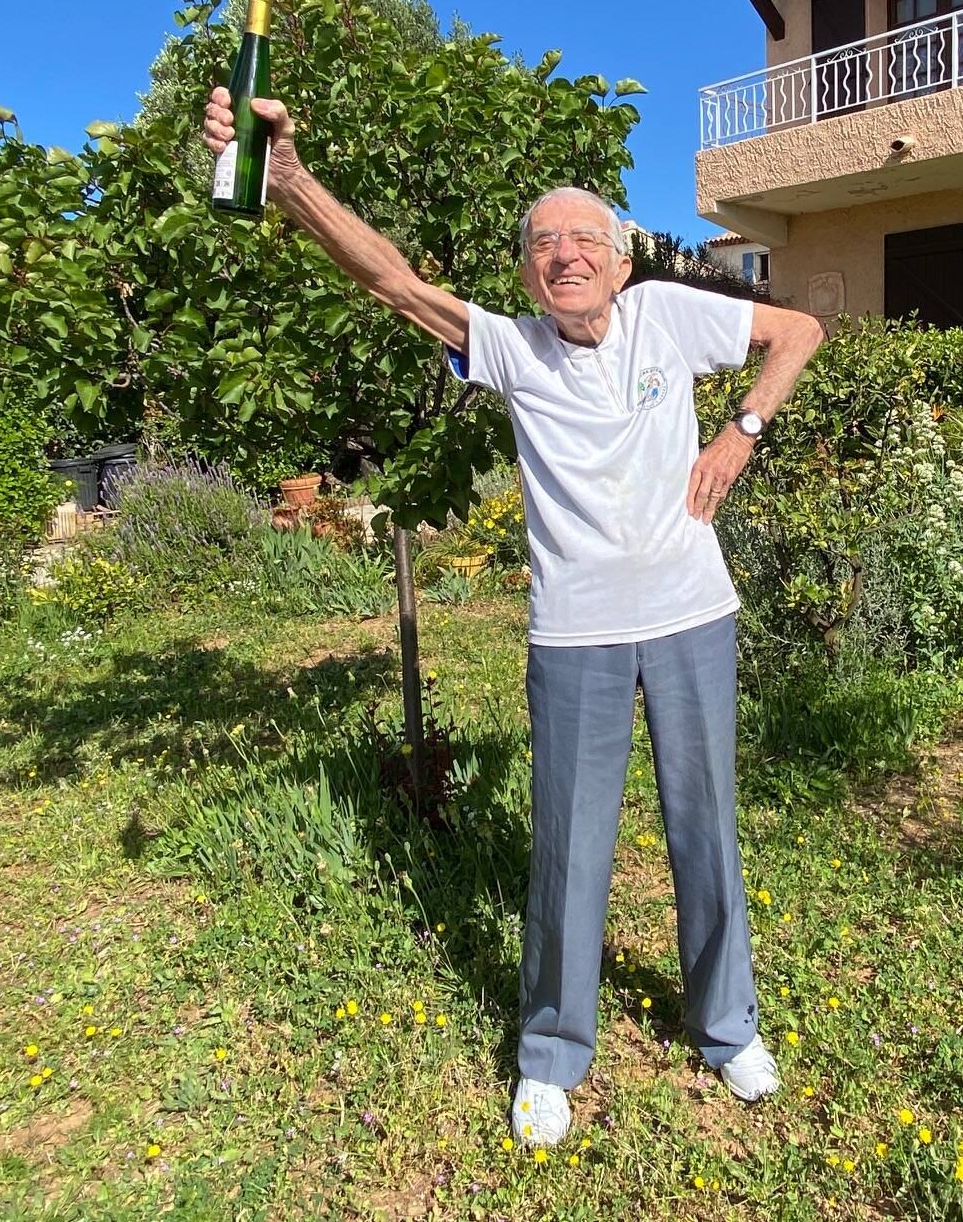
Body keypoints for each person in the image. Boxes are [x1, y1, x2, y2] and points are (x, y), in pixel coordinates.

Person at [202, 89, 825, 1147]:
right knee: (570, 846)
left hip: (691, 614)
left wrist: (742, 432)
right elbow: (392, 282)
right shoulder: (512, 347)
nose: (566, 255)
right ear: (528, 272)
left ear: (621, 261)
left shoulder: (669, 314)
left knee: (705, 825)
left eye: (586, 240)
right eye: (544, 244)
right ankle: (550, 1052)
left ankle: (728, 1028)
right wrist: (291, 176)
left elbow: (799, 330)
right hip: (575, 631)